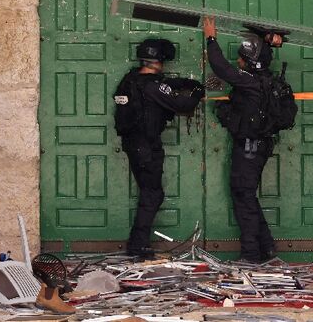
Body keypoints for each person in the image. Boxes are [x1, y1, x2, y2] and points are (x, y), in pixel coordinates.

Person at [112, 38, 204, 259]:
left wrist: (177, 83)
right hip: (146, 147)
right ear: (159, 60)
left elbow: (154, 90)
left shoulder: (129, 80)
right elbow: (184, 105)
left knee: (149, 193)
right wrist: (197, 91)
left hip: (134, 144)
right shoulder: (152, 86)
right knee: (152, 194)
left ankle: (137, 245)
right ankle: (138, 247)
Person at [203, 16, 278, 263]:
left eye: (241, 58)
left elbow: (221, 67)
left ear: (249, 61)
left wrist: (211, 38)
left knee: (243, 197)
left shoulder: (248, 81)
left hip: (249, 150)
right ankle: (266, 247)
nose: (238, 61)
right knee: (247, 196)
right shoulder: (267, 80)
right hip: (260, 147)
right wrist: (270, 40)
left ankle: (251, 254)